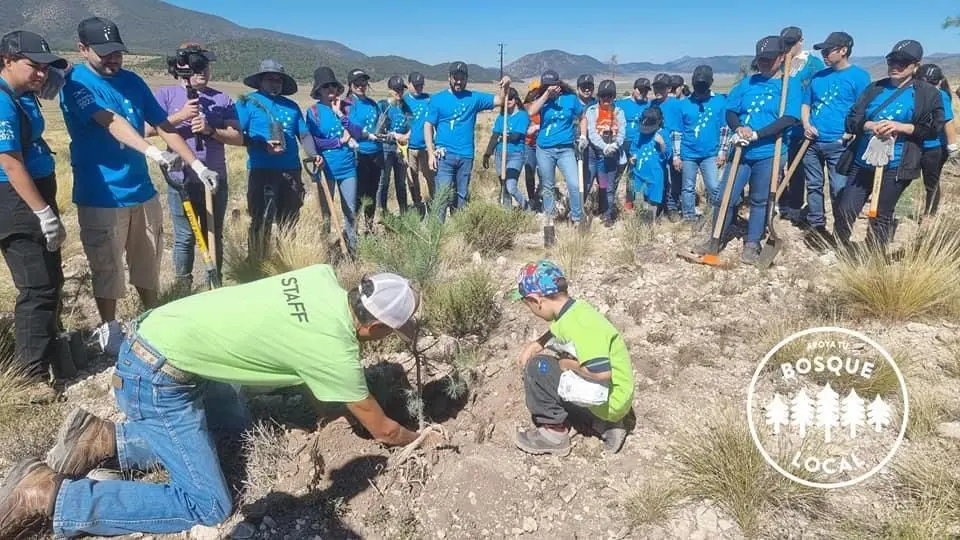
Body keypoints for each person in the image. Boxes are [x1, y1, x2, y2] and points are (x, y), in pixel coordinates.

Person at [0, 265, 438, 538]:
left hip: (167, 339)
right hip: (156, 376)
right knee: (209, 504)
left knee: (234, 425)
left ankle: (103, 439)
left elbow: (317, 379)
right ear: (374, 327)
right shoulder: (336, 353)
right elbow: (384, 430)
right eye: (390, 333)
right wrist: (422, 436)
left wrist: (329, 409)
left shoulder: (319, 276)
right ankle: (53, 497)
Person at [59, 17, 217, 352]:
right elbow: (110, 121)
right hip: (101, 193)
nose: (113, 58)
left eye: (117, 51)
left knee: (148, 259)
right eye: (104, 53)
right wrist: (150, 151)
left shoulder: (132, 81)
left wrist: (196, 164)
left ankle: (154, 320)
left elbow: (163, 124)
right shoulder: (76, 82)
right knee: (108, 264)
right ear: (82, 49)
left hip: (141, 191)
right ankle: (110, 328)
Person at [0, 31, 69, 403]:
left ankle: (51, 353)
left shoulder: (24, 94)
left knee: (51, 277)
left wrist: (55, 68)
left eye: (45, 67)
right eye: (33, 65)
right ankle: (29, 378)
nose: (41, 74)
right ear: (7, 59)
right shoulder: (2, 100)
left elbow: (64, 75)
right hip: (16, 202)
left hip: (37, 196)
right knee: (36, 286)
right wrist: (43, 213)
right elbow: (9, 163)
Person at [695, 35, 802, 265]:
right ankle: (715, 239)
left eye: (769, 59)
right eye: (761, 59)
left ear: (782, 58)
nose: (764, 63)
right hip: (741, 151)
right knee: (726, 196)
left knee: (760, 199)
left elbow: (789, 118)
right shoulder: (747, 83)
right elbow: (731, 110)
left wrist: (758, 134)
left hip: (768, 153)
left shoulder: (789, 85)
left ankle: (752, 243)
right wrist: (739, 128)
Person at [511, 260, 634, 456]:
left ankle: (553, 435)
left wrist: (566, 364)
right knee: (557, 367)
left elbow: (601, 372)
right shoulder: (575, 310)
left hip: (609, 400)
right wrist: (537, 344)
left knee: (539, 367)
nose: (531, 310)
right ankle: (605, 425)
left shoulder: (581, 325)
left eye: (529, 305)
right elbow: (557, 331)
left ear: (537, 300)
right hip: (618, 397)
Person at [834, 40, 945, 253]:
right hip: (863, 161)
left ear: (916, 65)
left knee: (881, 214)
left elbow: (933, 128)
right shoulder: (875, 88)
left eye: (903, 62)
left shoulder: (927, 94)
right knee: (846, 209)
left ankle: (875, 258)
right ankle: (842, 249)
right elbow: (851, 119)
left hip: (896, 165)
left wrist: (902, 127)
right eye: (892, 61)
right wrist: (868, 125)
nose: (896, 66)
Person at [149, 42, 243, 289]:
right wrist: (178, 117)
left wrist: (211, 130)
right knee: (184, 236)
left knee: (214, 234)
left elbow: (237, 137)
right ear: (181, 67)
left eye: (205, 65)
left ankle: (215, 283)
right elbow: (144, 130)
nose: (202, 71)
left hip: (215, 177)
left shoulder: (222, 99)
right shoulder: (165, 95)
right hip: (181, 178)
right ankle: (183, 287)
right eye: (195, 65)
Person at [800, 32, 872, 247]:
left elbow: (864, 109)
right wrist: (806, 124)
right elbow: (806, 104)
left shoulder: (860, 77)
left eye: (828, 50)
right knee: (813, 185)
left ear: (843, 50)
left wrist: (851, 133)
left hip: (840, 144)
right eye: (822, 50)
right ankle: (817, 225)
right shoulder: (818, 77)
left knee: (839, 188)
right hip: (812, 143)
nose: (824, 54)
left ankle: (841, 230)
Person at [235, 59, 310, 258]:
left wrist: (314, 154)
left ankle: (287, 261)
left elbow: (304, 135)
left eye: (278, 80)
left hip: (291, 170)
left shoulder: (292, 106)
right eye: (270, 79)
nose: (274, 83)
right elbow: (236, 135)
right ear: (260, 81)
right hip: (262, 170)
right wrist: (261, 145)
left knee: (290, 219)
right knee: (261, 219)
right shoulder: (247, 102)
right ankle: (256, 262)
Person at [425, 61, 510, 222]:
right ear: (449, 78)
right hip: (443, 156)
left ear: (466, 79)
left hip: (465, 156)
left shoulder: (474, 98)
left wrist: (506, 84)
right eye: (455, 78)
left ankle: (458, 235)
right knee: (442, 196)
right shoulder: (437, 99)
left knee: (461, 197)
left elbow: (500, 100)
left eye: (462, 78)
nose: (458, 81)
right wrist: (430, 153)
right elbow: (428, 126)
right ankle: (436, 236)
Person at [305, 66, 363, 252]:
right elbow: (312, 141)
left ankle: (353, 247)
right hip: (326, 168)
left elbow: (357, 133)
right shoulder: (313, 112)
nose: (330, 90)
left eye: (332, 85)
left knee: (350, 209)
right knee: (326, 212)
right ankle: (326, 248)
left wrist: (340, 114)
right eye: (325, 86)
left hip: (347, 168)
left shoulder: (346, 108)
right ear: (318, 90)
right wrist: (337, 142)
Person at [778, 26, 827, 225]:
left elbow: (819, 94)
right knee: (783, 168)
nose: (789, 47)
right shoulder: (779, 63)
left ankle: (801, 208)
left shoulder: (814, 65)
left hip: (803, 125)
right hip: (782, 125)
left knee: (801, 168)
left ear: (801, 41)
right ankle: (785, 203)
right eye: (786, 44)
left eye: (792, 43)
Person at [527, 70, 585, 226]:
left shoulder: (571, 99)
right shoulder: (542, 99)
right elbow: (531, 111)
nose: (550, 88)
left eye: (553, 86)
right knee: (547, 184)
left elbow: (582, 117)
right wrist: (546, 95)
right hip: (545, 149)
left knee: (574, 183)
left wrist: (583, 136)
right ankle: (550, 216)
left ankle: (577, 217)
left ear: (559, 84)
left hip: (566, 149)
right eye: (546, 86)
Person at [675, 65, 728, 223]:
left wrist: (722, 151)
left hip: (710, 153)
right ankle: (689, 216)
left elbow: (724, 128)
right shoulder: (684, 104)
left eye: (703, 85)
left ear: (710, 83)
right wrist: (677, 155)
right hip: (688, 153)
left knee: (713, 186)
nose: (700, 88)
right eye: (698, 85)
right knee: (688, 187)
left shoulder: (719, 101)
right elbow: (677, 132)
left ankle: (716, 214)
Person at [581, 79, 626, 226]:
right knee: (587, 183)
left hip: (610, 156)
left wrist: (614, 145)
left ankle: (606, 214)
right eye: (603, 95)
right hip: (594, 154)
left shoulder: (619, 112)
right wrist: (603, 146)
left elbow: (622, 132)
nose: (606, 99)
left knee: (607, 186)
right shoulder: (592, 111)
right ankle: (579, 213)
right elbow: (592, 133)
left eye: (610, 96)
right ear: (599, 96)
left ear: (614, 97)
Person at [916, 63, 957, 217]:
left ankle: (929, 215)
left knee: (931, 182)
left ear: (938, 82)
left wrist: (952, 148)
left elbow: (948, 122)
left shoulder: (940, 96)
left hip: (934, 147)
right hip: (917, 144)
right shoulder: (914, 93)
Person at [345, 69, 384, 229]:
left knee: (372, 192)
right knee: (359, 194)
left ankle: (369, 227)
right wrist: (367, 135)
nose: (361, 86)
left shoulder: (373, 104)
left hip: (376, 152)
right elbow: (350, 127)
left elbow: (379, 124)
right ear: (350, 84)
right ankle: (353, 229)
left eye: (364, 82)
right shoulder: (347, 105)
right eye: (357, 83)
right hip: (358, 154)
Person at [482, 87, 531, 210]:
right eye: (506, 99)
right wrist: (487, 153)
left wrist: (502, 137)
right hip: (500, 154)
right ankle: (507, 212)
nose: (508, 100)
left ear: (516, 100)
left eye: (511, 98)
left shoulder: (523, 116)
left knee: (511, 186)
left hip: (515, 154)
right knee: (503, 185)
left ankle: (526, 207)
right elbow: (495, 136)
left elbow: (515, 136)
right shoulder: (501, 118)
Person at [649, 73, 683, 221]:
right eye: (656, 87)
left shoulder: (677, 104)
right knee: (659, 177)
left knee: (676, 178)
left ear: (669, 88)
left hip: (675, 145)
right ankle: (659, 207)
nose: (658, 90)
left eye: (661, 88)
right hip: (657, 147)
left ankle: (673, 207)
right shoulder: (651, 105)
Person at [377, 75, 412, 216]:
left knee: (401, 183)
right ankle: (382, 213)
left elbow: (411, 124)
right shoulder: (383, 106)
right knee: (383, 182)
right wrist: (395, 135)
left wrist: (407, 136)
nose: (399, 92)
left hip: (402, 148)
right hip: (386, 148)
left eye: (401, 89)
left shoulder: (405, 106)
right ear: (390, 90)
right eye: (396, 89)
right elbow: (378, 131)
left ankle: (404, 212)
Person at [615, 78, 651, 211]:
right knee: (617, 173)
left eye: (646, 91)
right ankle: (608, 201)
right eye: (640, 90)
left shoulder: (649, 105)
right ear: (634, 90)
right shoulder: (621, 103)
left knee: (633, 174)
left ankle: (630, 203)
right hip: (622, 143)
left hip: (639, 144)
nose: (643, 93)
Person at [631, 107, 671, 221]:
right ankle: (640, 220)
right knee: (638, 197)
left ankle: (650, 222)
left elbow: (667, 155)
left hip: (655, 174)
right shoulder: (639, 134)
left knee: (653, 199)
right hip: (639, 172)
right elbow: (634, 148)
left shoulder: (663, 134)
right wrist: (633, 156)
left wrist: (662, 144)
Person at [403, 72, 433, 210]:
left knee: (430, 176)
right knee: (412, 177)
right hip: (408, 148)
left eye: (421, 85)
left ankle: (434, 203)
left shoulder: (429, 100)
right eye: (415, 86)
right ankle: (417, 203)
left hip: (426, 147)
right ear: (408, 84)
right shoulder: (403, 101)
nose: (418, 88)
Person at [522, 80, 543, 211]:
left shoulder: (545, 106)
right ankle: (531, 198)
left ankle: (541, 195)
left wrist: (538, 127)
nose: (536, 93)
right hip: (528, 144)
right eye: (534, 91)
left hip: (542, 145)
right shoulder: (524, 108)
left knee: (543, 172)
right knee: (529, 171)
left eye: (538, 91)